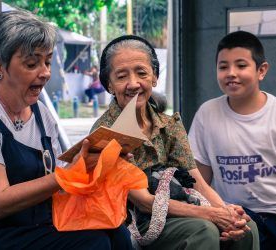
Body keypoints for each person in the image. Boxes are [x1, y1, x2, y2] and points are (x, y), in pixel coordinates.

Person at [0, 10, 132, 250]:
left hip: (24, 230)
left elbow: (59, 183)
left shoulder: (41, 113)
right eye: (32, 63)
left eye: (48, 61)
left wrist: (99, 163)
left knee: (114, 229)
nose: (46, 72)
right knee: (91, 243)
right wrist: (69, 174)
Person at [91, 34, 259, 250]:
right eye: (122, 76)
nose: (133, 84)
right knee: (203, 230)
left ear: (154, 77)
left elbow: (195, 178)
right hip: (135, 221)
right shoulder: (105, 133)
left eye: (141, 73)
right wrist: (209, 214)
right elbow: (143, 201)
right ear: (109, 85)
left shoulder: (169, 124)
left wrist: (225, 213)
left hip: (179, 207)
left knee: (245, 226)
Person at [188, 30, 276, 250]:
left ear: (261, 70)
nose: (231, 73)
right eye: (223, 67)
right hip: (236, 219)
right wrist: (215, 214)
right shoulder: (207, 113)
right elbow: (199, 177)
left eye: (241, 65)